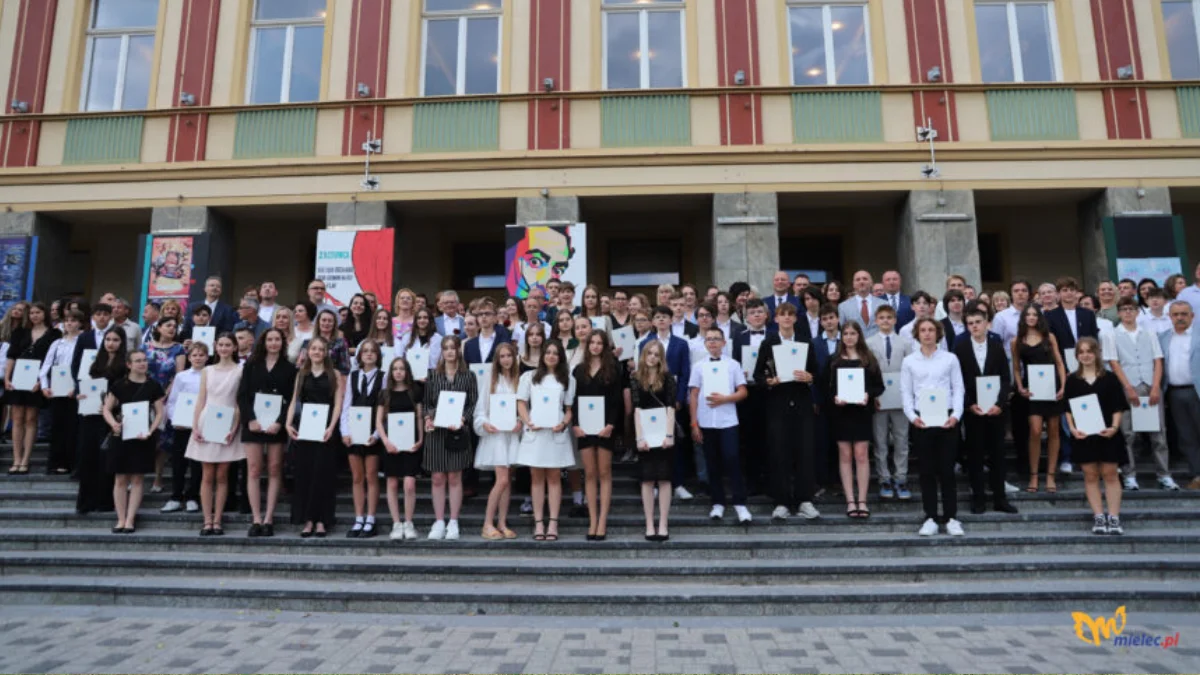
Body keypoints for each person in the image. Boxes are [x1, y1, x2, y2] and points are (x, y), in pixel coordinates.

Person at [753, 302, 820, 521]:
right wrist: (769, 381)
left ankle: (804, 500)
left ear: (796, 319)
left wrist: (810, 377)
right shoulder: (768, 343)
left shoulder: (805, 342)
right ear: (776, 319)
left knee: (805, 451)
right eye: (783, 315)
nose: (787, 318)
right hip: (777, 403)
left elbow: (816, 372)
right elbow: (758, 375)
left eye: (791, 314)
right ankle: (781, 502)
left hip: (801, 402)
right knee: (779, 451)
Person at [901, 318, 965, 536]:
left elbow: (958, 388)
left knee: (947, 470)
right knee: (926, 471)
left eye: (931, 330)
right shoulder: (909, 361)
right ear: (917, 334)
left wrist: (955, 415)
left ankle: (951, 517)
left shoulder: (950, 359)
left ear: (938, 333)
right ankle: (930, 517)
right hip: (922, 420)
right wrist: (912, 417)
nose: (927, 334)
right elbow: (906, 392)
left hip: (947, 419)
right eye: (923, 330)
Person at [954, 307, 1018, 514]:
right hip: (973, 411)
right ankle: (978, 498)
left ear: (986, 324)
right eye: (970, 323)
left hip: (995, 411)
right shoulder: (960, 348)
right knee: (975, 455)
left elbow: (1005, 378)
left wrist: (999, 404)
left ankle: (1000, 499)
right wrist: (969, 404)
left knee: (998, 455)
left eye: (978, 322)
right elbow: (957, 381)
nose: (974, 326)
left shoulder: (997, 346)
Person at [1106, 297, 1175, 492]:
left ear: (1137, 312)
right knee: (1127, 434)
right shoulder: (1112, 334)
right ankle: (1129, 475)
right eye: (1124, 309)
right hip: (1127, 385)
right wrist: (1128, 387)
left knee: (1158, 433)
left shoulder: (1149, 332)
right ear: (1119, 313)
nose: (1128, 312)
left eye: (1131, 309)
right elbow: (1113, 362)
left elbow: (1158, 360)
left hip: (1150, 384)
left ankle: (1164, 475)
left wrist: (1156, 386)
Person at [1064, 337, 1128, 534]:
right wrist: (1072, 429)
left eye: (1089, 351)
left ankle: (1114, 518)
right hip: (1084, 435)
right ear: (1077, 356)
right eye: (1081, 352)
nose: (1085, 355)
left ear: (1097, 353)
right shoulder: (1072, 380)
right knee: (1090, 475)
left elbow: (1118, 406)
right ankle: (1099, 517)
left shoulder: (1110, 378)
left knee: (1110, 474)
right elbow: (1068, 409)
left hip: (1108, 433)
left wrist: (1114, 427)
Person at [237, 328, 296, 536]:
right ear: (264, 342)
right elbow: (242, 395)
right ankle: (256, 519)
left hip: (276, 426)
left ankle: (269, 518)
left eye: (277, 339)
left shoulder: (290, 368)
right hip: (254, 423)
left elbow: (291, 399)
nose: (273, 343)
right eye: (270, 339)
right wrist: (250, 419)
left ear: (282, 342)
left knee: (274, 468)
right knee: (253, 469)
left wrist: (280, 422)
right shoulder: (251, 365)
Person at [183, 333, 244, 536]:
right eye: (221, 345)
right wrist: (195, 426)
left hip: (228, 423)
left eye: (228, 345)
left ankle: (218, 520)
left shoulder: (240, 370)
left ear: (234, 347)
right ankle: (207, 520)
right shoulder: (207, 370)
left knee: (222, 475)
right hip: (207, 421)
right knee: (207, 475)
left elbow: (239, 402)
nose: (224, 348)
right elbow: (201, 400)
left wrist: (234, 427)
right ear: (216, 347)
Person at [689, 327, 751, 523]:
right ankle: (718, 502)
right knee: (712, 462)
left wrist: (725, 399)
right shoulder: (698, 366)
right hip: (706, 421)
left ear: (724, 343)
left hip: (728, 421)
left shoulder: (733, 365)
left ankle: (740, 503)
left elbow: (743, 391)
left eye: (716, 339)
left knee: (732, 459)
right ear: (705, 343)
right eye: (709, 339)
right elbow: (694, 395)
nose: (713, 342)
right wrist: (694, 423)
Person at [286, 336, 345, 537]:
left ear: (326, 352)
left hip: (326, 430)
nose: (317, 352)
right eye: (314, 349)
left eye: (321, 349)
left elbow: (338, 404)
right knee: (305, 474)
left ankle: (321, 520)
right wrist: (288, 424)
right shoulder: (301, 374)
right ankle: (308, 520)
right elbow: (294, 400)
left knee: (323, 475)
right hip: (305, 428)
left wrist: (331, 427)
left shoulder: (334, 374)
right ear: (308, 352)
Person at [102, 349, 167, 533]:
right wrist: (113, 424)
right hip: (121, 435)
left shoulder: (153, 385)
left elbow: (160, 413)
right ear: (129, 365)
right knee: (120, 478)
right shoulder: (119, 384)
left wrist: (151, 431)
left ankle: (130, 519)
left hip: (142, 436)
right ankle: (120, 519)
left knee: (138, 478)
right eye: (138, 361)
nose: (142, 363)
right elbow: (106, 409)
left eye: (144, 360)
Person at [516, 341, 575, 542]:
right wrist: (528, 421)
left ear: (560, 357)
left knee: (554, 478)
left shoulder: (567, 379)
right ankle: (539, 522)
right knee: (536, 478)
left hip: (556, 433)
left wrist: (563, 423)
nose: (551, 356)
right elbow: (521, 403)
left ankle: (553, 523)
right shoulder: (529, 377)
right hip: (536, 432)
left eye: (555, 353)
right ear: (542, 355)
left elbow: (569, 409)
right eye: (548, 352)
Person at [825, 321, 885, 518]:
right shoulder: (833, 360)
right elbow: (826, 388)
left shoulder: (868, 359)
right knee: (845, 455)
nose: (849, 337)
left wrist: (868, 395)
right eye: (846, 334)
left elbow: (879, 386)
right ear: (841, 337)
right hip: (841, 413)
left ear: (859, 336)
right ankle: (850, 500)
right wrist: (834, 398)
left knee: (861, 454)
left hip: (862, 412)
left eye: (853, 333)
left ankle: (862, 501)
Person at [422, 335, 477, 540]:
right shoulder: (433, 376)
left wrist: (464, 419)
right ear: (442, 352)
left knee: (455, 477)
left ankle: (453, 521)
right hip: (437, 432)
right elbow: (426, 403)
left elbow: (473, 403)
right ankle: (439, 521)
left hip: (458, 431)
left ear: (458, 351)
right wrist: (429, 417)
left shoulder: (468, 376)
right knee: (437, 478)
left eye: (453, 348)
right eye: (446, 348)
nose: (450, 352)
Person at [572, 331, 626, 541]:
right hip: (584, 429)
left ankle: (602, 520)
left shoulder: (613, 369)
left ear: (605, 346)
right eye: (592, 342)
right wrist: (575, 424)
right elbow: (573, 400)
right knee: (589, 473)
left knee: (604, 473)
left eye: (599, 343)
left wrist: (611, 425)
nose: (595, 346)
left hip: (605, 427)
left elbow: (616, 400)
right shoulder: (578, 370)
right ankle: (592, 520)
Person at [639, 305, 693, 500]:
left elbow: (685, 373)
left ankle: (677, 483)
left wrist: (679, 398)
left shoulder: (681, 343)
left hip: (672, 399)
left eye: (665, 316)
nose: (661, 320)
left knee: (673, 443)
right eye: (658, 317)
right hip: (651, 399)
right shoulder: (645, 343)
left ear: (671, 320)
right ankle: (652, 483)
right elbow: (641, 371)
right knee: (652, 442)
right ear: (653, 321)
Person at [1013, 306, 1067, 493]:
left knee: (1053, 430)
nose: (1031, 317)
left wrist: (1063, 386)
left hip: (1052, 387)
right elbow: (1016, 368)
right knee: (1035, 430)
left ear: (1039, 317)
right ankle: (1034, 475)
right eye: (1028, 314)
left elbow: (1059, 363)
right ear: (1023, 317)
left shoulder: (1049, 337)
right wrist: (1020, 387)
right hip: (1032, 390)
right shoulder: (1017, 340)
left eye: (1034, 314)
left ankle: (1051, 476)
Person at [75, 328, 126, 514]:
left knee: (106, 458)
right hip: (91, 415)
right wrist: (81, 396)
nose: (110, 343)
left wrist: (115, 403)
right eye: (108, 339)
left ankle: (105, 501)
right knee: (88, 456)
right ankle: (86, 501)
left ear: (122, 342)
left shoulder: (124, 365)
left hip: (112, 416)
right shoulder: (96, 361)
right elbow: (87, 385)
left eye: (115, 340)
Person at [474, 342, 521, 540]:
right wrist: (484, 424)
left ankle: (502, 522)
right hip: (496, 436)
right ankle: (487, 523)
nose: (506, 360)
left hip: (510, 435)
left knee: (506, 481)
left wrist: (520, 422)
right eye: (502, 356)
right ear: (497, 359)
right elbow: (481, 410)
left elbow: (522, 408)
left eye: (509, 355)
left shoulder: (518, 381)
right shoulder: (491, 380)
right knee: (501, 480)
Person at [630, 340, 676, 541]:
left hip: (664, 433)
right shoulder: (635, 378)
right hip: (645, 434)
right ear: (643, 354)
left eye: (656, 354)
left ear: (661, 358)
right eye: (649, 353)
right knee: (647, 479)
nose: (652, 357)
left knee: (664, 479)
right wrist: (639, 438)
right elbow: (636, 409)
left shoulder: (667, 378)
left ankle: (663, 523)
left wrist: (669, 435)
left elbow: (670, 407)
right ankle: (649, 523)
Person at [339, 339, 385, 538]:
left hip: (372, 432)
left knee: (371, 476)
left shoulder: (383, 377)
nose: (368, 354)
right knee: (357, 477)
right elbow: (346, 405)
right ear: (359, 356)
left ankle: (370, 519)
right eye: (365, 351)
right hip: (354, 431)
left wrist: (377, 434)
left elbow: (384, 408)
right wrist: (344, 431)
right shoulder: (353, 376)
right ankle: (359, 518)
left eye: (372, 351)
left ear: (378, 355)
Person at [5, 303, 59, 473]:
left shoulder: (54, 334)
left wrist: (43, 381)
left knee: (31, 418)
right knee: (17, 418)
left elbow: (53, 360)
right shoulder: (20, 332)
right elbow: (11, 356)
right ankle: (16, 459)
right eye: (32, 313)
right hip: (18, 377)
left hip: (37, 379)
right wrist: (7, 378)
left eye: (38, 312)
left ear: (45, 314)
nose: (34, 315)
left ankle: (25, 460)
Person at [867, 304, 913, 500]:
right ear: (876, 321)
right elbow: (868, 371)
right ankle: (884, 477)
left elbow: (910, 370)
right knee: (880, 440)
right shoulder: (869, 343)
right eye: (882, 318)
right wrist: (873, 395)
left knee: (902, 439)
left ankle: (901, 477)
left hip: (900, 397)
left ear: (894, 320)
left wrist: (908, 396)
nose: (885, 321)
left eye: (889, 317)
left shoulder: (905, 343)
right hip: (879, 398)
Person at [377, 355, 424, 540]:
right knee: (392, 483)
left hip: (410, 444)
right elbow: (378, 422)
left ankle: (409, 522)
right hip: (391, 445)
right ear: (391, 372)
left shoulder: (415, 392)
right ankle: (396, 523)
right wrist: (386, 441)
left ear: (407, 372)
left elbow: (419, 417)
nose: (398, 372)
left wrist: (420, 439)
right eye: (395, 369)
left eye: (402, 369)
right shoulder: (384, 394)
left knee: (409, 484)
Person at [162, 342, 207, 515]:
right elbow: (172, 400)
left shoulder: (209, 374)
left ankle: (192, 497)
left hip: (201, 425)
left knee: (197, 463)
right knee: (179, 462)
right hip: (182, 424)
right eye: (194, 355)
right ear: (189, 357)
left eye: (201, 355)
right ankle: (175, 496)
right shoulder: (181, 376)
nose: (198, 358)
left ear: (207, 357)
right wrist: (175, 419)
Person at [1159, 301, 1200, 490]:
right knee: (1186, 437)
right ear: (1170, 317)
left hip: (1196, 391)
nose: (1180, 318)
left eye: (1184, 314)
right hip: (1174, 393)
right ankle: (1197, 475)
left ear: (1192, 316)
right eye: (1176, 314)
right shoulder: (1163, 337)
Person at [144, 316, 186, 491]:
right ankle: (136, 475)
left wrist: (165, 394)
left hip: (166, 398)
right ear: (159, 327)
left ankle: (158, 478)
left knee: (161, 441)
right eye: (168, 325)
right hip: (145, 396)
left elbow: (179, 374)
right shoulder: (145, 347)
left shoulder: (178, 349)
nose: (172, 329)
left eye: (174, 326)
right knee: (143, 437)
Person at [38, 309, 82, 476]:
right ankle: (56, 462)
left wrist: (77, 388)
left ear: (80, 323)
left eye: (73, 320)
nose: (69, 323)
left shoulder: (82, 341)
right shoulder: (57, 343)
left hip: (74, 390)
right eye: (67, 320)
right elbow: (46, 366)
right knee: (58, 427)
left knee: (73, 428)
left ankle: (70, 463)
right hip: (57, 389)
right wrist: (44, 386)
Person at [463, 297, 512, 365]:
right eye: (480, 314)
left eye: (487, 313)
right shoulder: (469, 345)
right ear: (477, 318)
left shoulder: (504, 340)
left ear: (495, 317)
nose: (483, 316)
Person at [301, 309, 351, 375]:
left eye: (330, 321)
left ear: (334, 324)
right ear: (318, 322)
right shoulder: (307, 343)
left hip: (333, 378)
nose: (327, 323)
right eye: (324, 320)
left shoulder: (340, 343)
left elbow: (345, 368)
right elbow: (300, 365)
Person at [839, 270, 886, 338]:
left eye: (865, 279)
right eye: (858, 280)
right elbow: (843, 331)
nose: (861, 282)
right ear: (853, 284)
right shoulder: (843, 307)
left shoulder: (884, 304)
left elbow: (890, 329)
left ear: (871, 283)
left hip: (879, 343)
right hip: (855, 344)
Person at [400, 307, 443, 375]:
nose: (422, 320)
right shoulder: (407, 337)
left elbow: (441, 360)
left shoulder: (438, 339)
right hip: (411, 376)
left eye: (425, 318)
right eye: (419, 318)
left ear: (430, 320)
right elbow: (401, 357)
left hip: (432, 376)